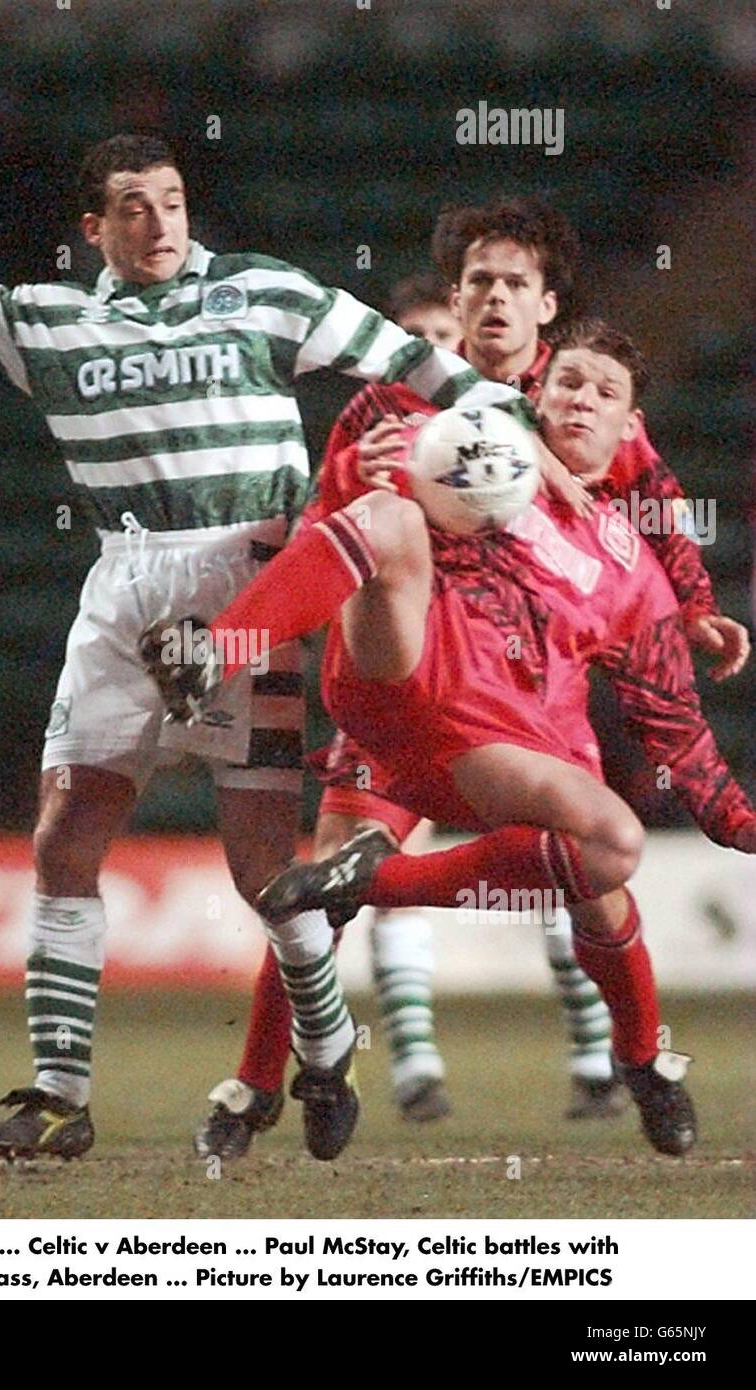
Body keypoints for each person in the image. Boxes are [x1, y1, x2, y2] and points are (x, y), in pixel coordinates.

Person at [0, 133, 549, 1163]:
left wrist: (505, 420)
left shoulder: (262, 293)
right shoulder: (49, 320)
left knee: (258, 868)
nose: (159, 223)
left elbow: (415, 361)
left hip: (252, 579)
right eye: (133, 207)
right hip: (124, 585)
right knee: (65, 833)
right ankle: (59, 1094)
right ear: (92, 228)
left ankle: (325, 1046)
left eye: (172, 201)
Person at [193, 198, 750, 1160]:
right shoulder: (388, 406)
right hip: (412, 676)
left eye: (514, 284)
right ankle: (259, 1084)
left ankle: (644, 1059)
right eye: (478, 283)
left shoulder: (578, 400)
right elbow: (334, 534)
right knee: (318, 888)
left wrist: (691, 604)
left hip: (537, 698)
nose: (493, 300)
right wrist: (355, 483)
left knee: (598, 888)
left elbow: (654, 499)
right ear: (455, 298)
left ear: (546, 307)